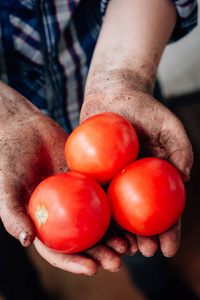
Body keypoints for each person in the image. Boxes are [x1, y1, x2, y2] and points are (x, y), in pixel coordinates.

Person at [0, 0, 197, 279]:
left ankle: (156, 284)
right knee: (7, 260)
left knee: (142, 252)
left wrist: (124, 77)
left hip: (120, 77)